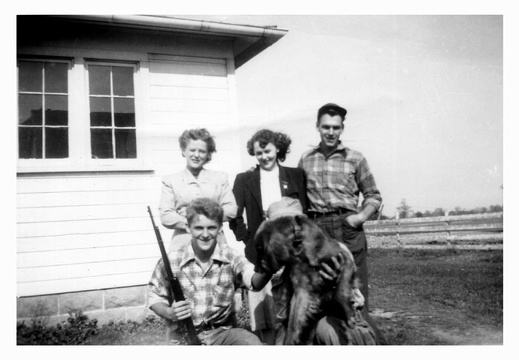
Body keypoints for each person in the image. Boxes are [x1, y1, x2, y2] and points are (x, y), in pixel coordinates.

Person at [298, 103, 386, 344]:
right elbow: (299, 200)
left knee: (355, 295)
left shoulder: (355, 158)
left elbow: (374, 196)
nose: (330, 132)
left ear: (342, 129)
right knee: (320, 295)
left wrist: (358, 218)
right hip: (318, 231)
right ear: (317, 126)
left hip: (347, 229)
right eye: (325, 126)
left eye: (335, 128)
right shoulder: (306, 160)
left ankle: (365, 345)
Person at [148, 197, 272, 345]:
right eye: (199, 228)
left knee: (250, 343)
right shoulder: (172, 260)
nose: (205, 234)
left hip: (223, 333)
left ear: (220, 228)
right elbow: (154, 298)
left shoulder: (230, 256)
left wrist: (270, 265)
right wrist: (169, 312)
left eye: (211, 228)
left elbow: (254, 281)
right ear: (188, 227)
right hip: (183, 336)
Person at [230, 129, 307, 344]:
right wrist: (247, 240)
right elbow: (234, 216)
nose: (264, 157)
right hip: (260, 254)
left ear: (278, 149)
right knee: (263, 314)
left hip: (293, 253)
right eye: (258, 153)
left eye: (268, 151)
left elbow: (305, 214)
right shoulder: (245, 179)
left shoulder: (295, 175)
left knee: (293, 307)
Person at [159, 128, 237, 251]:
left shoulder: (219, 178)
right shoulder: (171, 181)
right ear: (184, 151)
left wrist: (209, 223)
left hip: (215, 241)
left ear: (208, 154)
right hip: (183, 242)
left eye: (202, 151)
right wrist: (192, 225)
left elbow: (231, 209)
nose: (196, 155)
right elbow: (166, 215)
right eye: (192, 150)